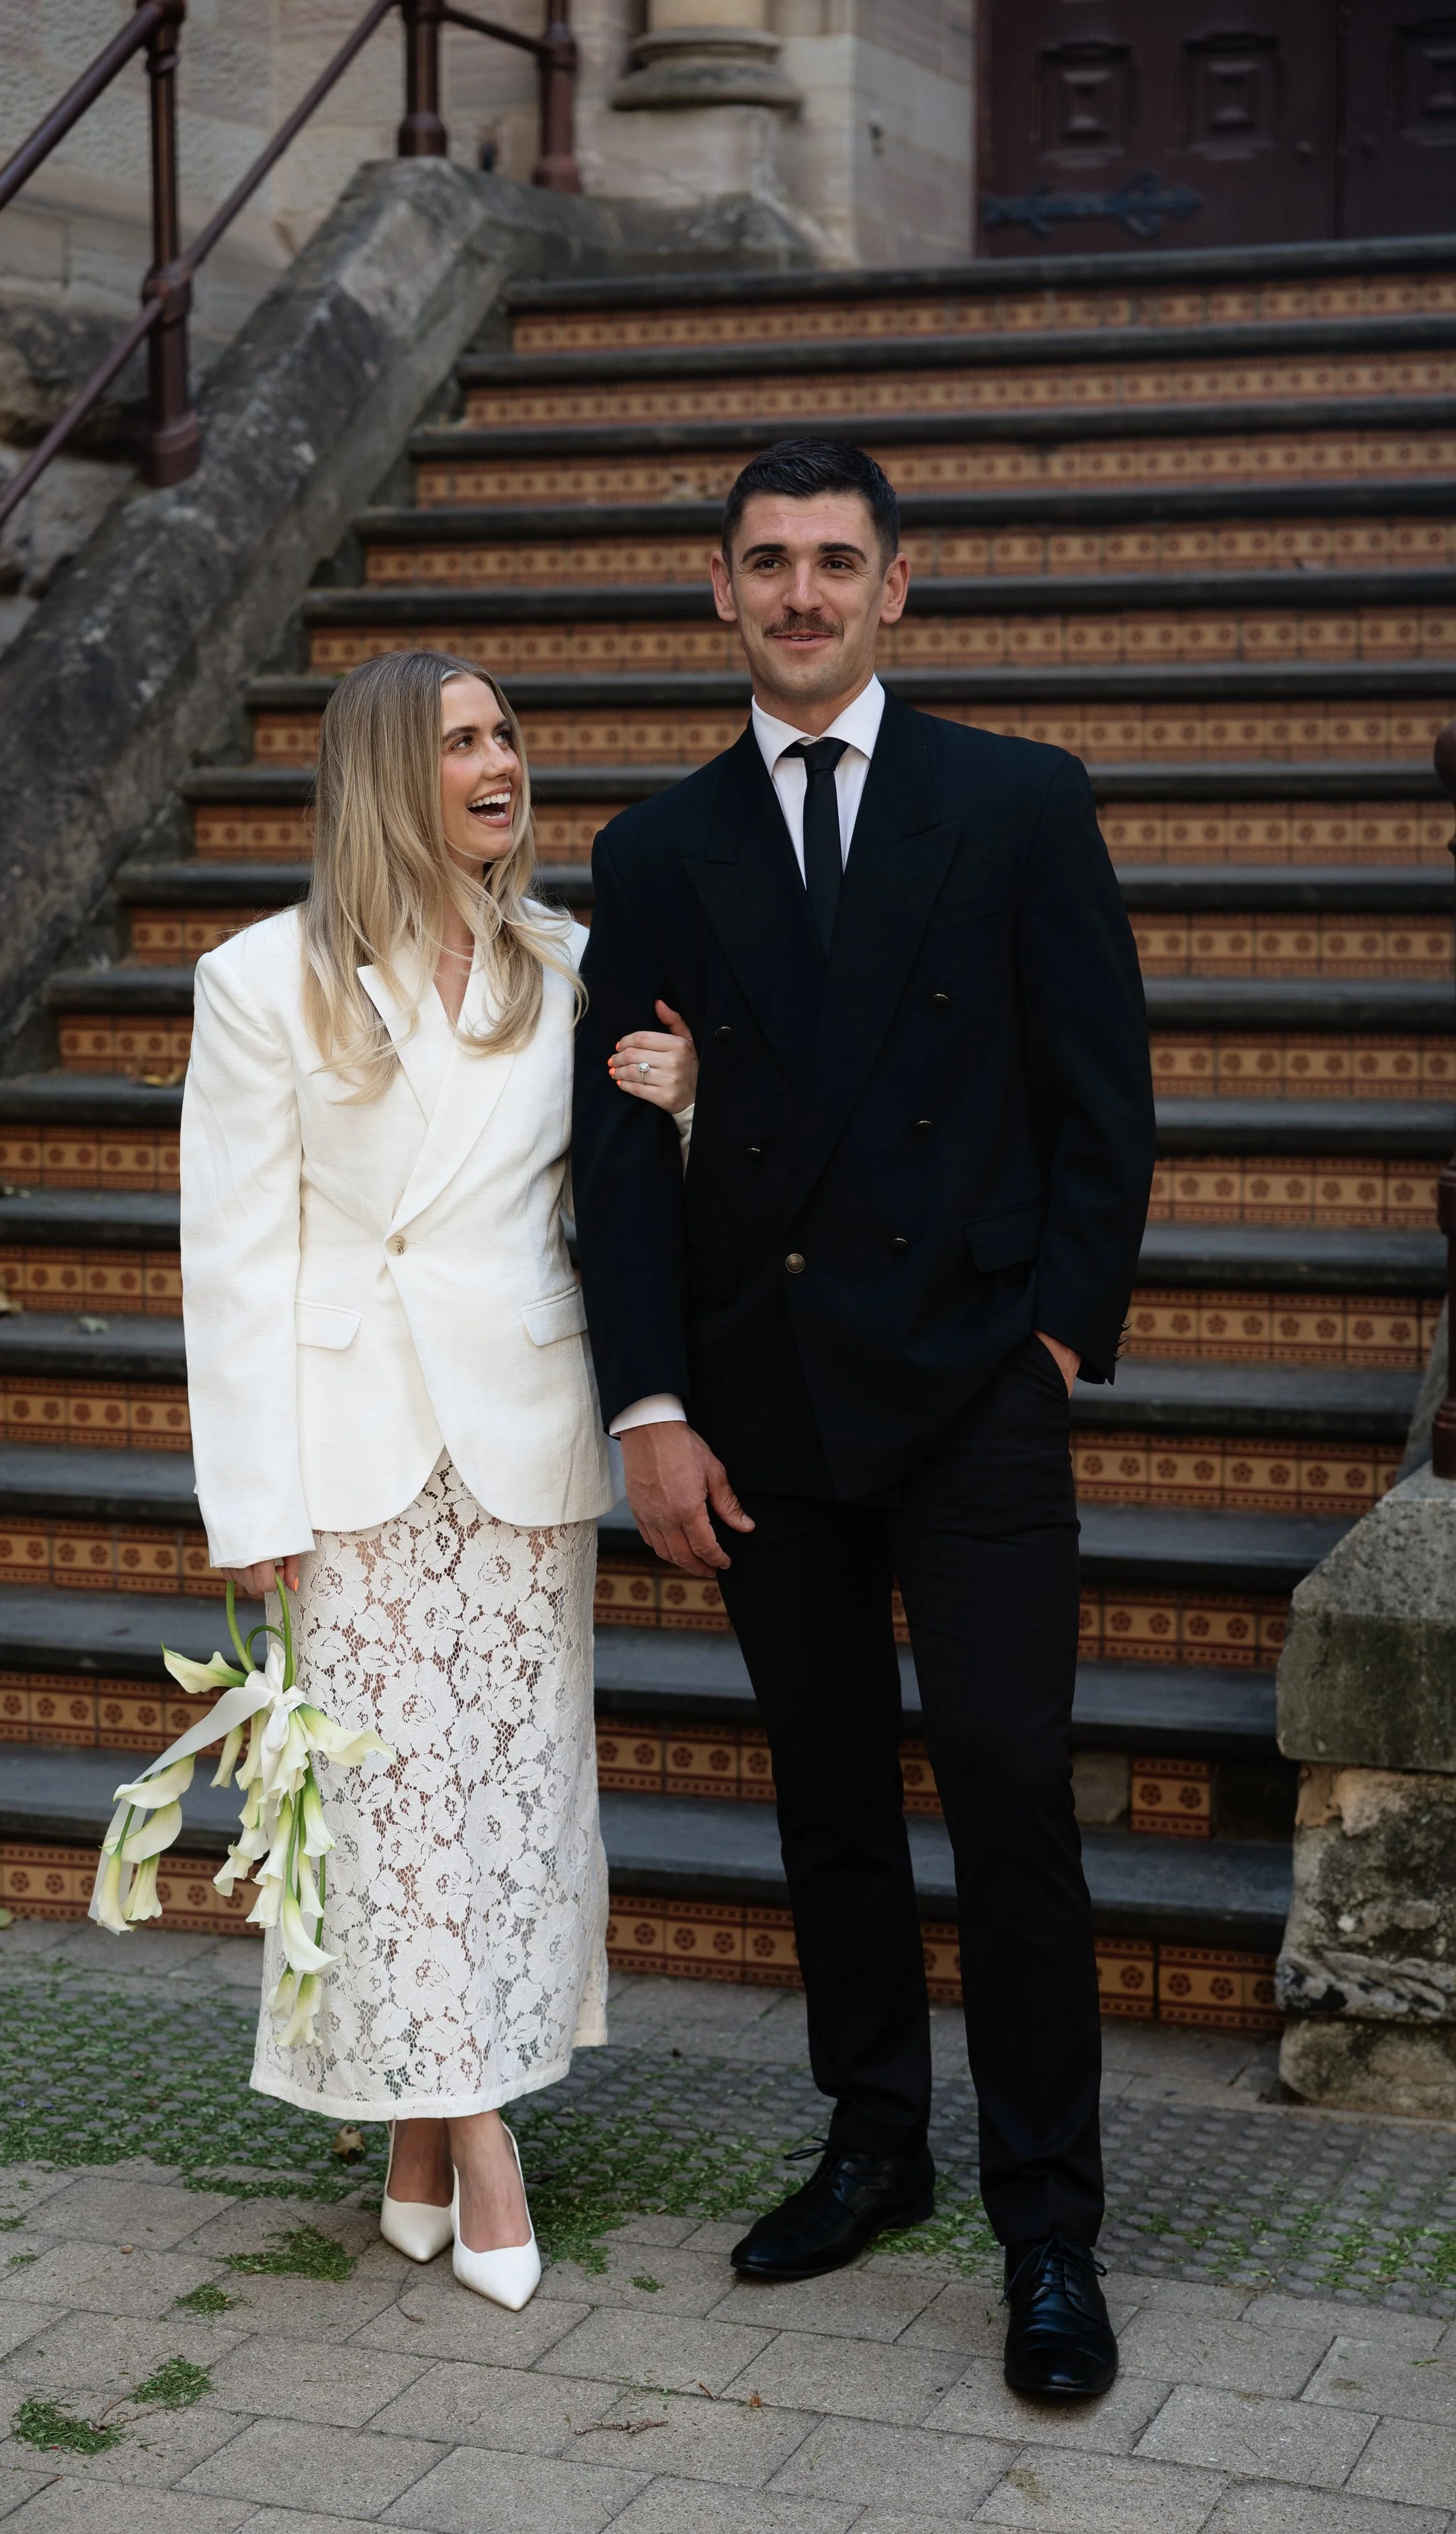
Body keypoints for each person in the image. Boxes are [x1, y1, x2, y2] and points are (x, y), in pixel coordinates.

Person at [577, 439, 1156, 2396]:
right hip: (767, 1406)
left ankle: (1049, 2224)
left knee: (1003, 1784)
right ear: (719, 593)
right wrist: (648, 1406)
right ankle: (874, 2143)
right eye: (768, 563)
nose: (802, 593)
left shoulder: (1014, 804)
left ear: (897, 585)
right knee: (827, 1791)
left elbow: (1105, 1102)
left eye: (837, 561)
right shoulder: (655, 854)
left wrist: (1055, 1339)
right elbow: (619, 1163)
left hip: (975, 1388)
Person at [179, 649, 696, 2311]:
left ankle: (410, 2134)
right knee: (394, 1811)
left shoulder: (569, 966)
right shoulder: (264, 982)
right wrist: (248, 1502)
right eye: (460, 740)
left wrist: (688, 1104)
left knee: (509, 1806)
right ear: (390, 775)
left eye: (507, 736)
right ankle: (480, 2142)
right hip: (349, 1461)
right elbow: (234, 1261)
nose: (498, 763)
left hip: (522, 1438)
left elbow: (624, 1196)